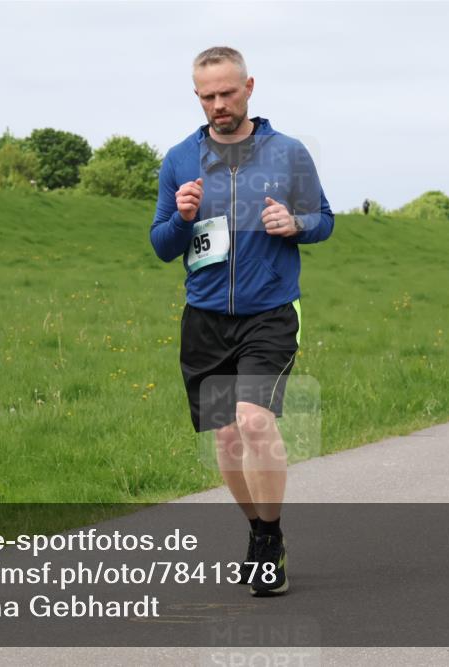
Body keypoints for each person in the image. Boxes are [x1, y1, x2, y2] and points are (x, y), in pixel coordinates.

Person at [150, 47, 334, 597]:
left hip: (270, 313)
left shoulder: (288, 153)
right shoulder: (181, 158)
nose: (218, 105)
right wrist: (181, 220)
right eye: (207, 96)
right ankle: (258, 530)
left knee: (254, 421)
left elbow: (324, 220)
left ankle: (269, 536)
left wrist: (295, 223)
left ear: (249, 87)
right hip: (204, 318)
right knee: (227, 438)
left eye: (227, 93)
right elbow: (161, 245)